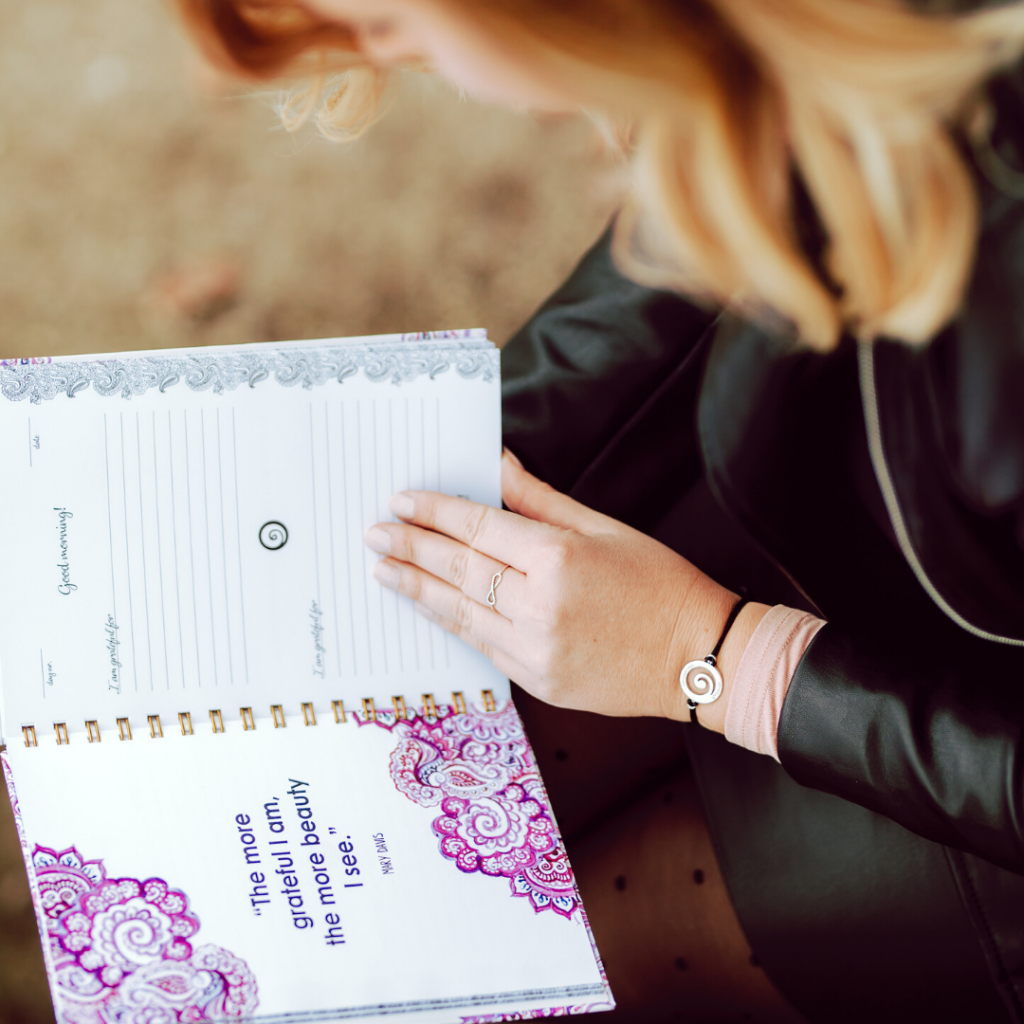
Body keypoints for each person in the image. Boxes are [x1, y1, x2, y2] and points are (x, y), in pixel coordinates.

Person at [174, 1, 1024, 1020]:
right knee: (345, 847)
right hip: (817, 570)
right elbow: (709, 246)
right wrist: (419, 497)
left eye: (389, 26)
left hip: (965, 802)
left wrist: (717, 660)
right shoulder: (807, 38)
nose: (396, 63)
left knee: (470, 962)